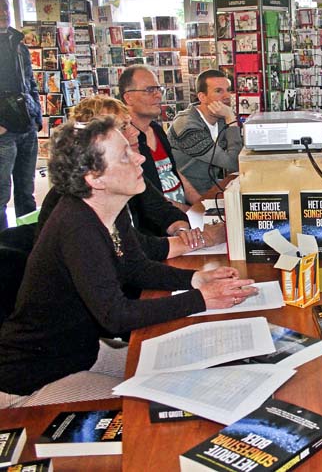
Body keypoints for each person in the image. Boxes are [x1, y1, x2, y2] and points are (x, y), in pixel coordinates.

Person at [0, 117, 257, 407]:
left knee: (191, 372)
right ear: (94, 178)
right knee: (156, 407)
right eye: (124, 155)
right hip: (35, 377)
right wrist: (202, 299)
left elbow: (135, 267)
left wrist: (196, 280)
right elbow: (116, 315)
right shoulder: (77, 227)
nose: (139, 157)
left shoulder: (110, 206)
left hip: (81, 352)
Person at [37, 95, 225, 259]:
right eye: (124, 127)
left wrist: (183, 231)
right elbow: (132, 252)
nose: (134, 132)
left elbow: (162, 209)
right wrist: (202, 239)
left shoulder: (125, 174)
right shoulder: (75, 202)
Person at [119, 64, 201, 210]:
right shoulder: (126, 140)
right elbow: (147, 200)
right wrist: (190, 212)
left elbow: (173, 172)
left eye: (158, 89)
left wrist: (201, 205)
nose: (158, 95)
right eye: (149, 90)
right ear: (128, 97)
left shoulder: (156, 129)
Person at [0, 0, 41, 230]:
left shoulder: (17, 45)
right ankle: (4, 251)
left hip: (26, 126)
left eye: (5, 7)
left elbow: (30, 82)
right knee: (2, 196)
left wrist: (37, 117)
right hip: (4, 133)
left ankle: (30, 242)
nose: (4, 13)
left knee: (27, 192)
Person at [168, 70, 243, 195]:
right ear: (202, 97)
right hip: (188, 196)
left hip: (210, 187)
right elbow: (234, 163)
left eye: (228, 90)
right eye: (219, 91)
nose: (227, 96)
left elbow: (241, 155)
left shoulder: (219, 118)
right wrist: (231, 119)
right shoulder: (187, 126)